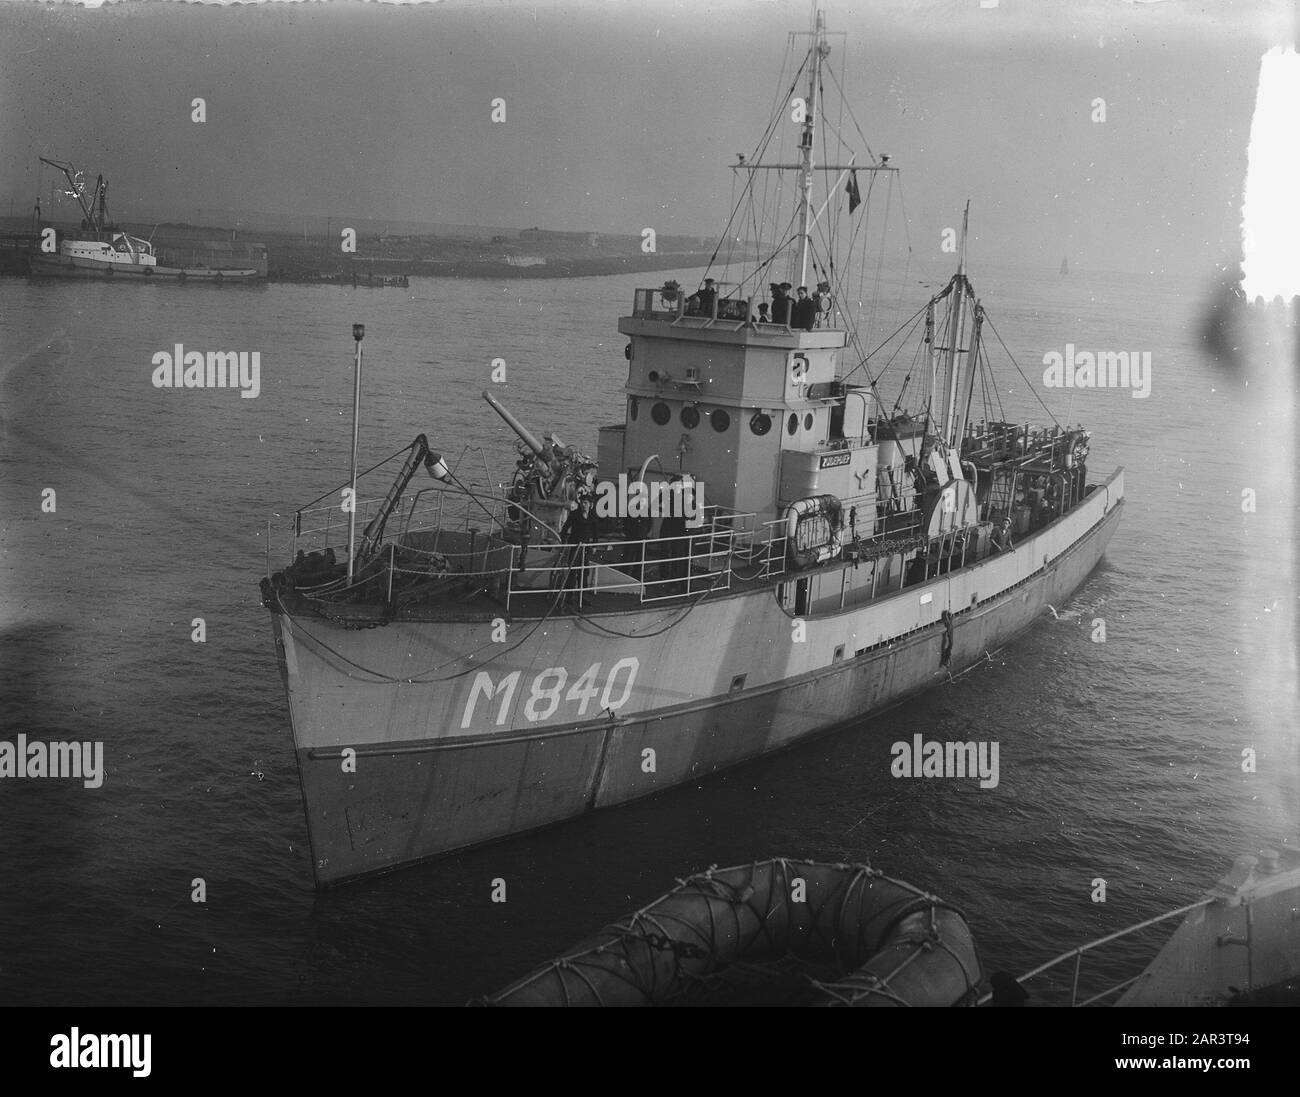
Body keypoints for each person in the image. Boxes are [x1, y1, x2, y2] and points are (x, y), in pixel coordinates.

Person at [560, 495, 598, 605]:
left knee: (584, 572)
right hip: (575, 546)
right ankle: (569, 597)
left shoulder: (592, 516)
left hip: (585, 548)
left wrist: (594, 545)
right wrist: (564, 542)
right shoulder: (574, 514)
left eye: (585, 503)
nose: (583, 505)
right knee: (572, 571)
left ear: (590, 504)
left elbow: (595, 532)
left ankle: (582, 596)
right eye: (582, 502)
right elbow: (565, 529)